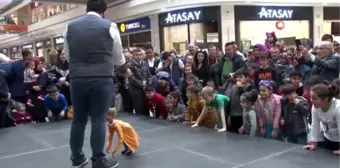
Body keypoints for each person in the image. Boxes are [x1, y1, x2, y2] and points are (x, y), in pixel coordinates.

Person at [64, 0, 125, 167]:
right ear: (104, 11)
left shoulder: (70, 26)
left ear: (87, 8)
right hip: (101, 78)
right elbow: (118, 58)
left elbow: (67, 55)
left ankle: (77, 158)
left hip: (77, 79)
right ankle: (98, 160)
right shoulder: (109, 26)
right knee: (98, 119)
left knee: (78, 120)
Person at [303, 84, 340, 155]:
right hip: (328, 138)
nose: (311, 100)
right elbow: (315, 125)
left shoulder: (338, 108)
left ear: (325, 99)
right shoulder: (316, 107)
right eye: (310, 97)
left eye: (314, 98)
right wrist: (314, 143)